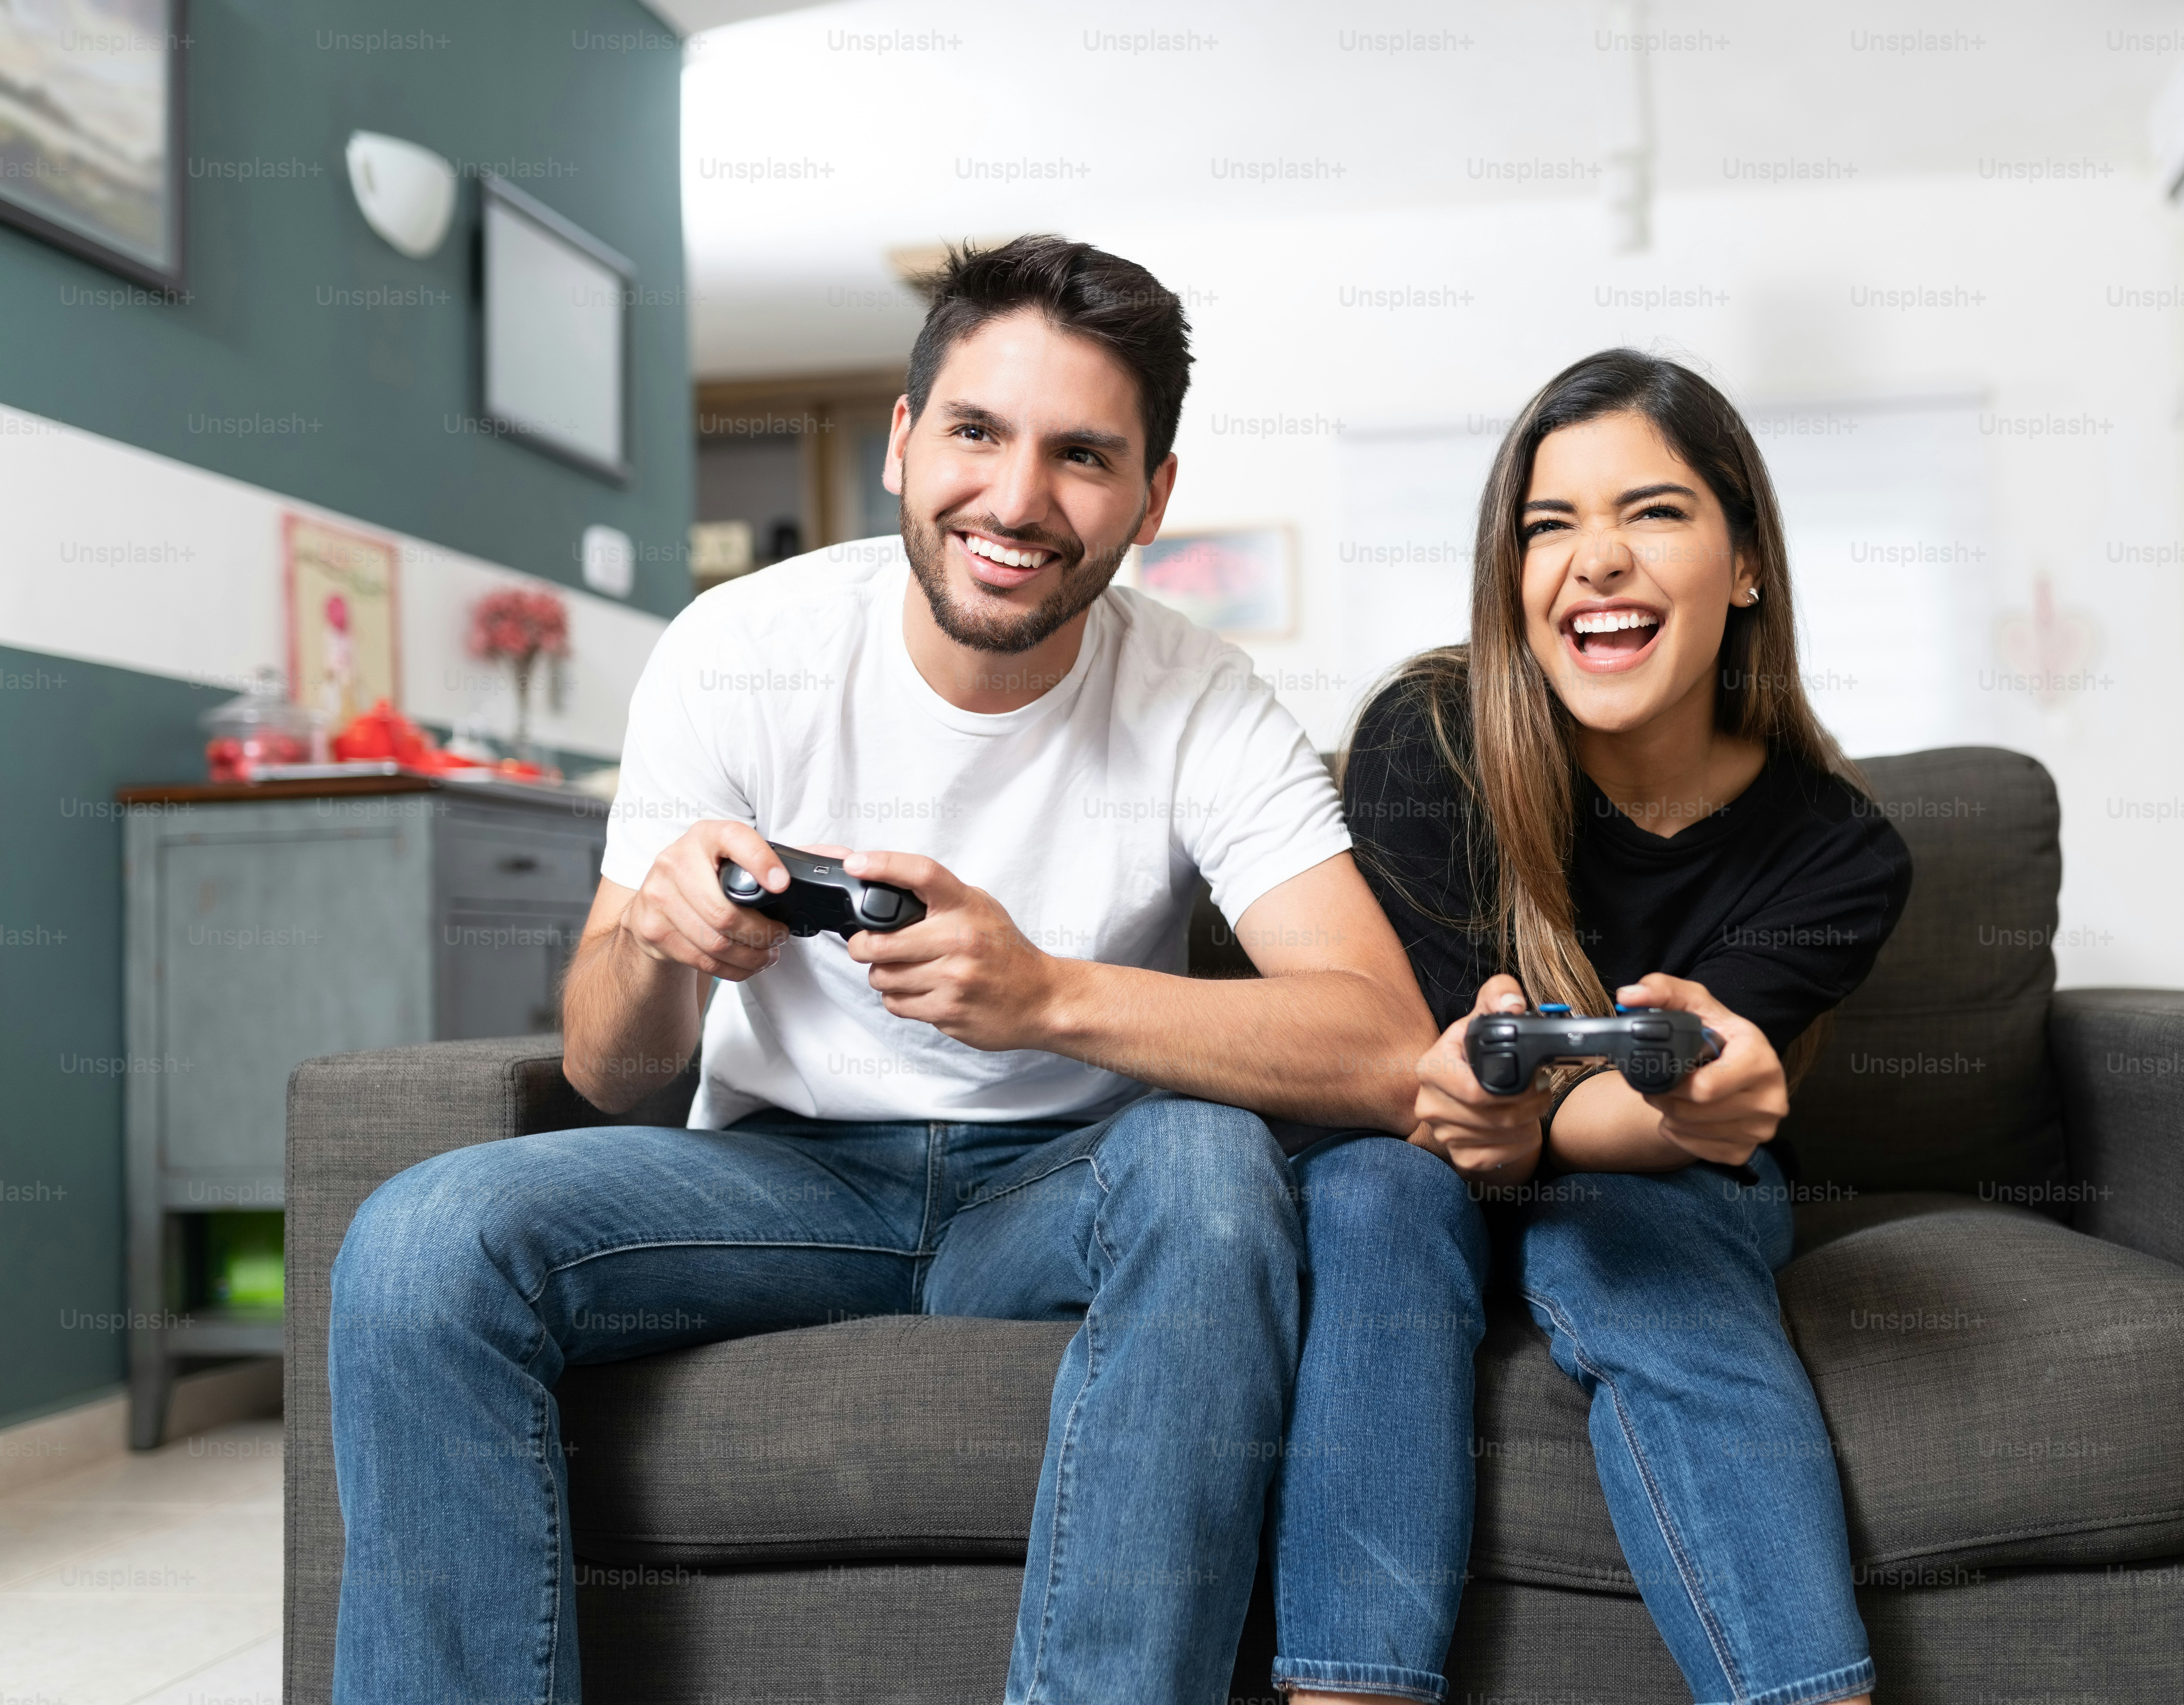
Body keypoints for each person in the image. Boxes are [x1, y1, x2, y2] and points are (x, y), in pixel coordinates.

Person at [325, 236, 1440, 1705]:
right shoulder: (740, 649)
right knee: (417, 1245)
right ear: (904, 445)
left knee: (1209, 1170)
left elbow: (1383, 1045)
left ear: (1152, 500)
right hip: (778, 1185)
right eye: (976, 432)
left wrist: (1044, 995)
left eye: (1084, 457)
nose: (1017, 501)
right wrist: (664, 948)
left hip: (1067, 1183)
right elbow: (609, 1073)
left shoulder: (1199, 699)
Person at [1268, 350, 1913, 1705]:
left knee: (1648, 1237)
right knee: (1377, 1192)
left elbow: (1607, 1133)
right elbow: (1435, 1099)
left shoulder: (1836, 851)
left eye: (1654, 512)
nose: (1593, 561)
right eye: (1547, 526)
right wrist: (1480, 1118)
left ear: (1745, 564)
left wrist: (1684, 1106)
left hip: (1654, 1166)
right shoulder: (1426, 736)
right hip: (1427, 1159)